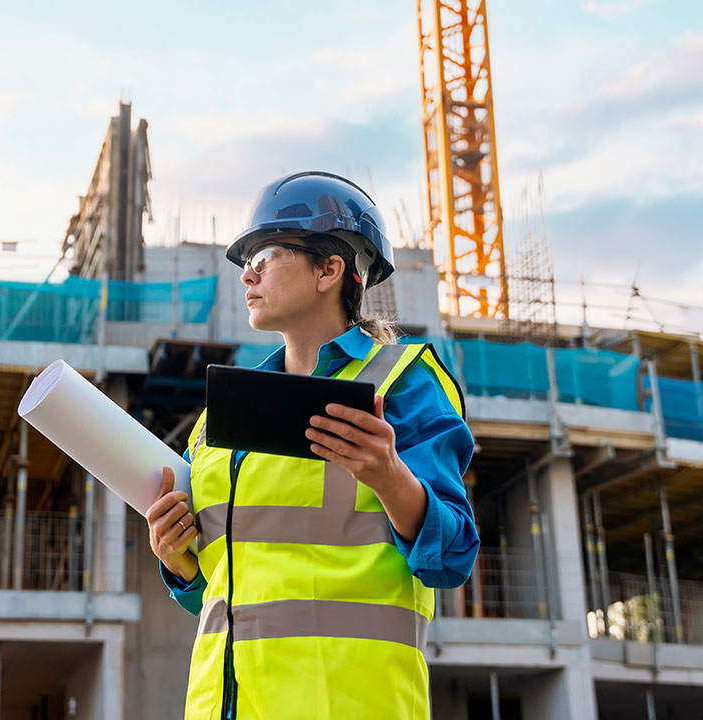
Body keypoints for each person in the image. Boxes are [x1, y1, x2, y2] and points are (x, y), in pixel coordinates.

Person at [146, 171, 478, 719]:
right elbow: (217, 589)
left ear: (330, 269)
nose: (247, 272)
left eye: (267, 253)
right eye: (245, 259)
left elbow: (453, 557)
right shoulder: (220, 418)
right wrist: (176, 559)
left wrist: (390, 475)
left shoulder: (402, 383)